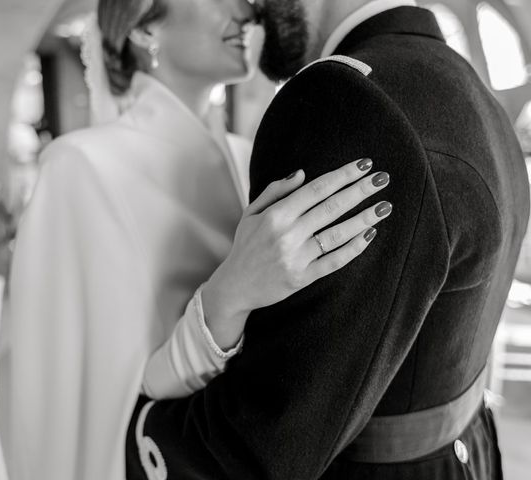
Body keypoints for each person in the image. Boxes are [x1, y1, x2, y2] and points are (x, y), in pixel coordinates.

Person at [125, 1, 530, 480]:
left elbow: (265, 446)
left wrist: (143, 425)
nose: (253, 9)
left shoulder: (346, 99)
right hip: (467, 455)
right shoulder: (465, 83)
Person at [8, 0, 393, 479]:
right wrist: (228, 297)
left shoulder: (247, 155)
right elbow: (79, 399)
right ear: (144, 30)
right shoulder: (79, 167)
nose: (250, 11)